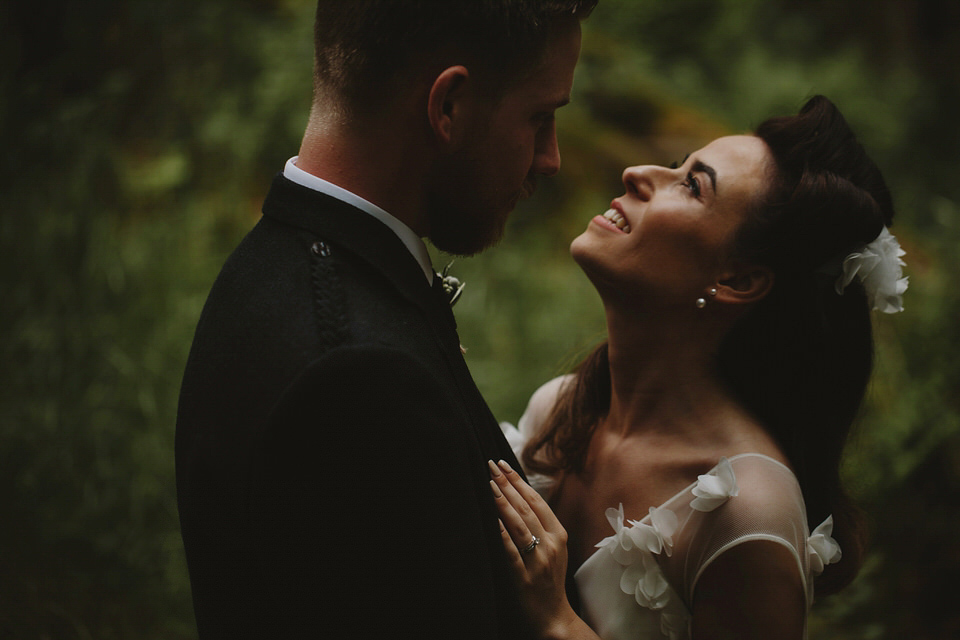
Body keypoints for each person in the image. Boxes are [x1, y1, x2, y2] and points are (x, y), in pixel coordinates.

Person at [174, 1, 596, 638]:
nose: (550, 158)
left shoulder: (271, 261)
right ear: (447, 106)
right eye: (540, 118)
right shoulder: (359, 380)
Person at [491, 96, 908, 639]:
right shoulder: (560, 409)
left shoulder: (743, 515)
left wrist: (558, 622)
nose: (637, 172)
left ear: (738, 280)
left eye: (692, 184)